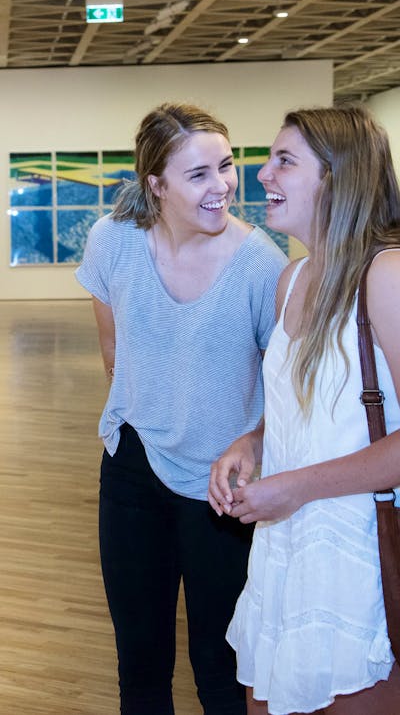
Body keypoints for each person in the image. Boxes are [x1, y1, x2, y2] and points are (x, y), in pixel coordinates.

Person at [75, 101, 287, 715]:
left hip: (222, 488)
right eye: (198, 174)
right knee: (139, 667)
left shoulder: (260, 264)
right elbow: (112, 350)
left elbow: (284, 392)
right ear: (156, 185)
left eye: (225, 166)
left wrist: (249, 440)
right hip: (132, 469)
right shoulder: (112, 242)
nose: (222, 185)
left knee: (220, 671)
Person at [208, 105, 400, 715]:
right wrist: (256, 443)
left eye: (285, 160)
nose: (261, 175)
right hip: (286, 548)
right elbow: (302, 411)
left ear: (338, 178)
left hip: (360, 557)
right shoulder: (290, 280)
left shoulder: (387, 275)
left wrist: (298, 488)